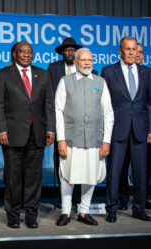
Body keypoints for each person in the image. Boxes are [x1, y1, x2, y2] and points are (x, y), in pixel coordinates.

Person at [0, 41, 55, 229]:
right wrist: (1, 130)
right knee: (13, 177)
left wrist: (51, 129)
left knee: (34, 178)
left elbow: (49, 104)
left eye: (30, 52)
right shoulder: (3, 74)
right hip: (12, 136)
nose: (27, 55)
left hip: (37, 135)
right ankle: (12, 214)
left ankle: (31, 215)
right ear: (14, 54)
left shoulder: (43, 74)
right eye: (22, 52)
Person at [55, 48, 114, 226]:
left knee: (90, 176)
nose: (87, 63)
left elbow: (108, 113)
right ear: (76, 62)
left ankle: (84, 212)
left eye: (90, 59)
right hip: (71, 139)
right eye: (83, 60)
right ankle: (65, 212)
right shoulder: (65, 81)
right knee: (68, 176)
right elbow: (58, 111)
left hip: (94, 139)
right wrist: (61, 139)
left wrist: (106, 140)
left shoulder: (100, 82)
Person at [102, 36, 151, 223]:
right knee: (114, 173)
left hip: (140, 130)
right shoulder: (108, 71)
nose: (132, 53)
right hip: (117, 130)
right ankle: (112, 208)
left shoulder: (146, 72)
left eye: (134, 49)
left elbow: (149, 104)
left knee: (140, 173)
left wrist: (150, 129)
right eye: (128, 49)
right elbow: (104, 104)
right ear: (120, 52)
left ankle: (139, 208)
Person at [48, 37, 98, 208]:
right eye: (66, 50)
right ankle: (61, 200)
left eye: (72, 50)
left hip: (85, 129)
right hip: (62, 122)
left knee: (84, 166)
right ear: (62, 53)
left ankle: (78, 200)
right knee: (62, 162)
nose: (69, 52)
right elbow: (51, 98)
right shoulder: (53, 69)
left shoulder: (94, 75)